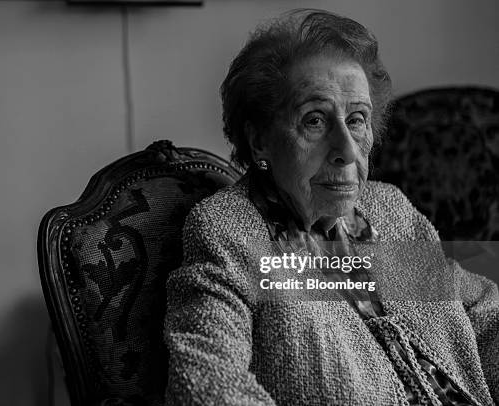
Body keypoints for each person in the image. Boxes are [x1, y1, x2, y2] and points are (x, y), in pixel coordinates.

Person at [163, 9, 499, 406]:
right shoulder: (229, 232)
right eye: (315, 121)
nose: (345, 149)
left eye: (357, 119)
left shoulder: (390, 209)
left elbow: (482, 310)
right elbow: (206, 386)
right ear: (259, 141)